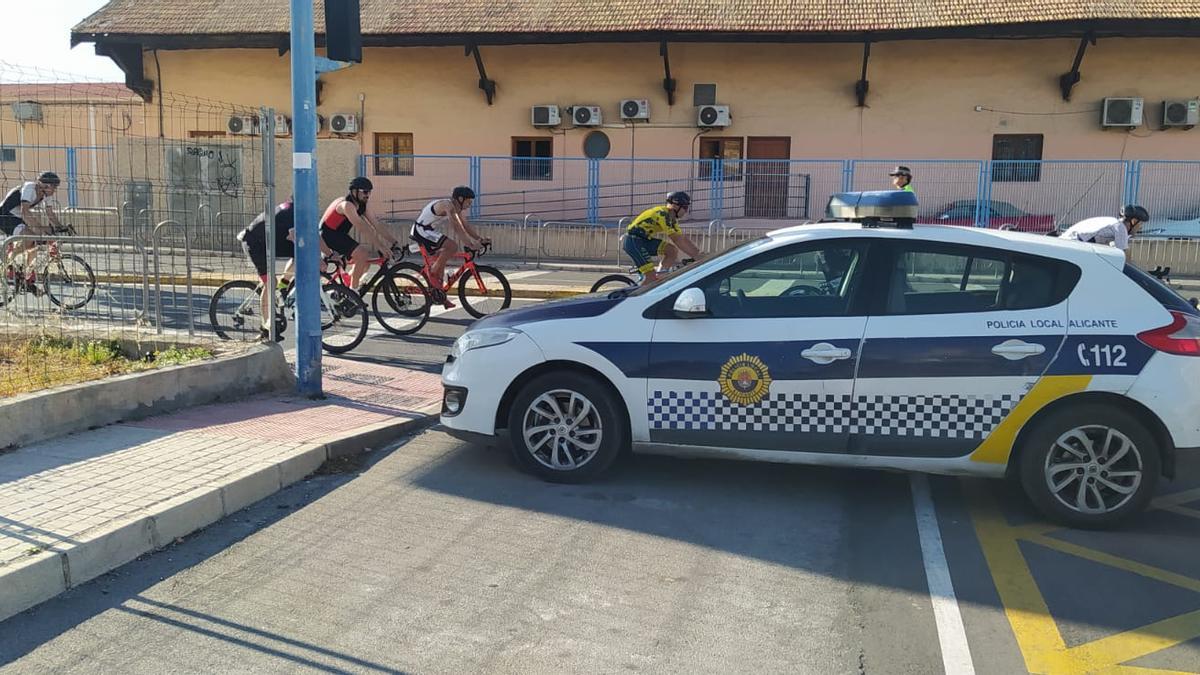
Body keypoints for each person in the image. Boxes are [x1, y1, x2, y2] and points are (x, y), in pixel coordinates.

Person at [411, 186, 490, 307]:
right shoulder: (447, 205)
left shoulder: (456, 209)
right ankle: (432, 271)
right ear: (460, 199)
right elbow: (456, 227)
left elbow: (465, 225)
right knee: (452, 246)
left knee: (441, 263)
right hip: (420, 230)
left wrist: (479, 239)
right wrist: (470, 244)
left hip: (428, 230)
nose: (470, 205)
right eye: (468, 202)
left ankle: (440, 295)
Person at [237, 196, 303, 341]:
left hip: (267, 243)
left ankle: (283, 286)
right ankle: (266, 327)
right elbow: (295, 237)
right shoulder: (290, 212)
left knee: (299, 255)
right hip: (253, 243)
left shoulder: (292, 208)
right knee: (270, 282)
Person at [319, 176, 397, 291]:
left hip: (340, 235)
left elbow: (376, 224)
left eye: (370, 192)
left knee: (365, 264)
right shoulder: (346, 205)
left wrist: (394, 242)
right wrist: (381, 247)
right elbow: (363, 228)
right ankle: (353, 292)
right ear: (354, 192)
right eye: (365, 192)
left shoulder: (362, 204)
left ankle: (345, 288)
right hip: (327, 235)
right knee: (362, 254)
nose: (368, 195)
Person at [1, 172, 63, 292]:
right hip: (4, 216)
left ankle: (26, 275)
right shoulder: (30, 188)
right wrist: (40, 228)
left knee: (34, 243)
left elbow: (50, 214)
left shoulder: (46, 194)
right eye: (53, 187)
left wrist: (61, 227)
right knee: (31, 238)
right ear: (44, 185)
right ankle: (7, 262)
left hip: (17, 217)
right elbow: (25, 212)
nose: (55, 190)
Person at [624, 191, 703, 284]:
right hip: (633, 241)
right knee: (651, 278)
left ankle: (660, 276)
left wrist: (699, 253)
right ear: (676, 206)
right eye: (685, 207)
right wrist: (698, 257)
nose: (686, 211)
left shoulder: (671, 219)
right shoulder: (663, 214)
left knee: (671, 250)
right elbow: (677, 240)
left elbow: (682, 238)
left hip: (643, 240)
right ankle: (638, 296)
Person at [1060, 204, 1149, 252]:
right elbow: (1123, 257)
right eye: (1140, 224)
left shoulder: (1112, 222)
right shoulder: (1120, 228)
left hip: (1067, 242)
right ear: (1133, 221)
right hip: (1073, 246)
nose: (1140, 228)